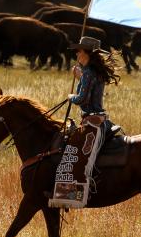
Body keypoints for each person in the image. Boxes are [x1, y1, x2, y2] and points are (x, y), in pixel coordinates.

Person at [48, 36, 121, 209]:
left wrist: (71, 96)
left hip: (92, 121)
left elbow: (82, 99)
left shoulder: (89, 72)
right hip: (98, 119)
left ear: (86, 52)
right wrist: (81, 76)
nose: (77, 53)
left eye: (79, 50)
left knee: (76, 156)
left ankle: (70, 195)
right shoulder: (91, 72)